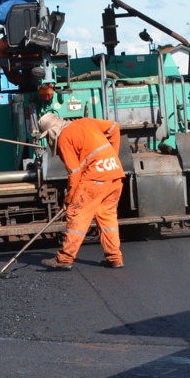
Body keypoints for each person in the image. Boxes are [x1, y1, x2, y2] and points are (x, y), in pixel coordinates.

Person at [38, 114, 125, 270]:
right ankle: (115, 258)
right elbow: (114, 127)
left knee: (76, 214)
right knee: (107, 216)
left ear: (52, 131)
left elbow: (74, 173)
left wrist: (69, 199)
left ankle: (65, 258)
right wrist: (112, 157)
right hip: (114, 173)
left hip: (95, 178)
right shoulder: (85, 121)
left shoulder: (64, 138)